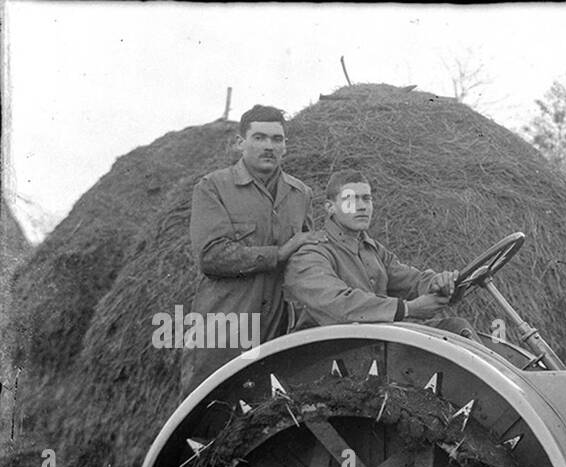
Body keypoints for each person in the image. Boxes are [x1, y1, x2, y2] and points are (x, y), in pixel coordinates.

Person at [182, 104, 313, 397]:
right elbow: (211, 256)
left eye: (277, 139)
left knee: (267, 415)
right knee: (210, 409)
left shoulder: (300, 194)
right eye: (259, 137)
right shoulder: (213, 187)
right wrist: (277, 255)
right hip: (224, 325)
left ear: (286, 147)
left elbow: (306, 257)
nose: (269, 146)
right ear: (240, 142)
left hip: (277, 328)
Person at [284, 170, 474, 336]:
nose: (361, 206)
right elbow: (338, 305)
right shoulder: (310, 254)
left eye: (367, 198)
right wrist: (408, 309)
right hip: (328, 354)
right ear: (330, 208)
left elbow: (409, 280)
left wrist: (438, 283)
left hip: (374, 342)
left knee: (456, 329)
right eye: (350, 199)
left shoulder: (371, 248)